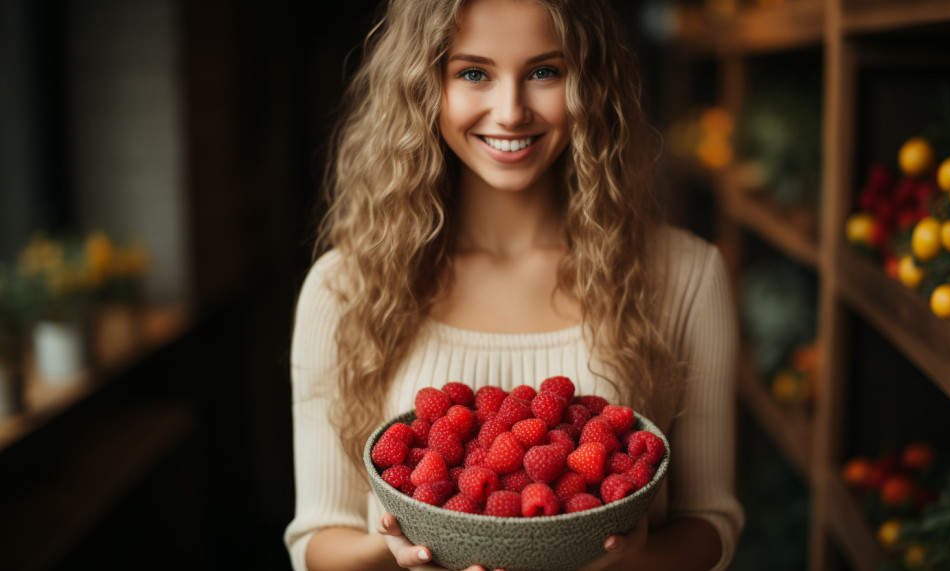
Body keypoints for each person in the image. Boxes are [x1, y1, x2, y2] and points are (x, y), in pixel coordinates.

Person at [284, 0, 744, 569]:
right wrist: (396, 548)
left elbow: (712, 523)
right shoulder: (343, 289)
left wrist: (633, 563)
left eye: (545, 72)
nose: (509, 112)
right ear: (423, 86)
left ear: (591, 85)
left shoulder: (687, 276)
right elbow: (315, 539)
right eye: (473, 73)